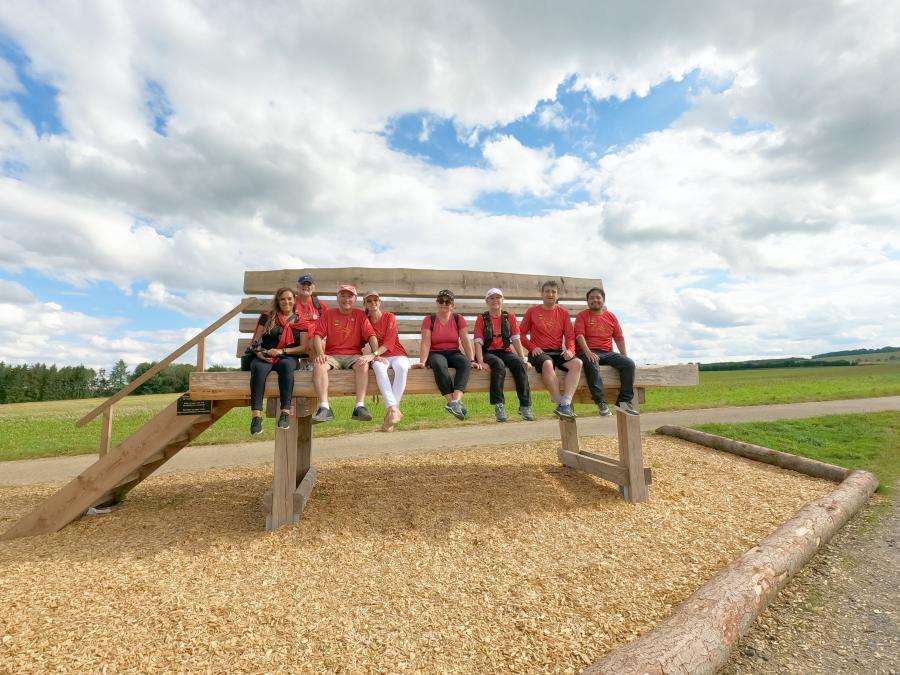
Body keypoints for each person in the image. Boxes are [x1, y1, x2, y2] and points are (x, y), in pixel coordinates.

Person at [309, 284, 379, 424]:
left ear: (355, 299)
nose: (346, 299)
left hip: (353, 355)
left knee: (362, 364)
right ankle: (324, 408)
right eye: (343, 296)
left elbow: (371, 335)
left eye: (350, 296)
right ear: (337, 298)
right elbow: (317, 336)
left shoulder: (360, 315)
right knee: (319, 363)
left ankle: (359, 407)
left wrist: (374, 354)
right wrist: (321, 353)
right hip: (332, 355)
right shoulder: (329, 314)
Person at [248, 287, 309, 434]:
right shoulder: (267, 317)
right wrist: (259, 354)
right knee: (257, 368)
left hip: (287, 356)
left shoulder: (301, 321)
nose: (286, 302)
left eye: (289, 299)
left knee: (286, 367)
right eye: (282, 299)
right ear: (277, 301)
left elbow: (304, 347)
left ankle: (285, 412)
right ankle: (256, 416)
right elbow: (256, 341)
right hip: (266, 355)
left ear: (294, 300)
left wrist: (283, 351)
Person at [520, 280, 583, 419]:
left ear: (557, 295)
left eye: (553, 292)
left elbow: (570, 336)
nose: (550, 294)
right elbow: (521, 334)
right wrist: (532, 347)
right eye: (547, 291)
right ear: (541, 295)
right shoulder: (532, 311)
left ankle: (565, 402)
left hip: (557, 352)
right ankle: (559, 402)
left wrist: (571, 350)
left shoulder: (563, 313)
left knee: (577, 363)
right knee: (547, 363)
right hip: (539, 353)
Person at [575, 287, 639, 416]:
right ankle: (600, 402)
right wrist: (587, 352)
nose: (595, 300)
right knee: (592, 361)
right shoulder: (582, 315)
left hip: (607, 352)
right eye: (591, 298)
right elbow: (579, 335)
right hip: (587, 351)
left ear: (603, 300)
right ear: (587, 301)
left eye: (598, 297)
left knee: (629, 363)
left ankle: (624, 402)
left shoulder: (611, 316)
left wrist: (624, 356)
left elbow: (619, 337)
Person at [412, 289, 474, 420]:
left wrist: (472, 359)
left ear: (452, 305)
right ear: (437, 302)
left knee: (464, 363)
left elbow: (465, 341)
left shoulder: (459, 319)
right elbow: (425, 342)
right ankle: (453, 403)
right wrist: (423, 361)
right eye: (441, 301)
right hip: (435, 353)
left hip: (453, 352)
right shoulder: (429, 320)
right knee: (440, 364)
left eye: (447, 301)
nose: (444, 304)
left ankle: (455, 402)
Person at [473, 288, 533, 422]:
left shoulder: (509, 317)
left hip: (505, 351)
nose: (495, 301)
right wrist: (481, 361)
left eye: (498, 298)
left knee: (519, 365)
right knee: (499, 366)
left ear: (502, 300)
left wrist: (523, 358)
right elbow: (478, 341)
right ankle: (499, 405)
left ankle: (525, 405)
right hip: (488, 352)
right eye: (492, 298)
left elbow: (516, 339)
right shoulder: (482, 318)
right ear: (487, 301)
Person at [244, 274, 326, 369]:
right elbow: (278, 318)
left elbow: (326, 325)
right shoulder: (291, 302)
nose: (306, 286)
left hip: (312, 341)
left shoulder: (320, 305)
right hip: (294, 341)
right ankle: (312, 366)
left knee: (316, 340)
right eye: (303, 284)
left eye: (309, 284)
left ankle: (315, 367)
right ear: (297, 287)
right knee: (312, 340)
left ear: (313, 287)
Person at [363, 290, 411, 432]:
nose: (373, 303)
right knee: (378, 367)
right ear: (365, 304)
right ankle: (393, 410)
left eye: (375, 300)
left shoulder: (390, 317)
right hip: (379, 357)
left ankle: (390, 413)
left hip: (397, 353)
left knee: (402, 368)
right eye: (369, 301)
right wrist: (372, 356)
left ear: (380, 302)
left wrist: (373, 354)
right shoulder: (365, 321)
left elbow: (390, 342)